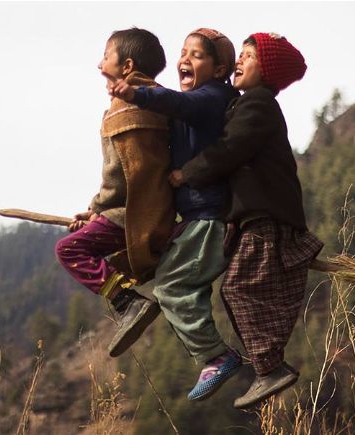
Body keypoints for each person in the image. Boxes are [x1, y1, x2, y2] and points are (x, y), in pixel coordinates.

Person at [169, 32, 324, 408]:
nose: (240, 61)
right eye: (239, 55)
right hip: (253, 220)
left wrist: (185, 174)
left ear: (266, 70)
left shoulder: (258, 105)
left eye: (249, 56)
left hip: (266, 219)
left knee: (239, 288)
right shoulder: (244, 104)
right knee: (235, 289)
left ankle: (270, 369)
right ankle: (266, 367)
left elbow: (228, 151)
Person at [110, 28, 242, 401]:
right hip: (197, 217)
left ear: (218, 70)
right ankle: (212, 354)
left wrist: (136, 94)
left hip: (208, 218)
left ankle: (216, 355)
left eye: (196, 55)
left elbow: (178, 104)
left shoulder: (212, 97)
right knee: (176, 281)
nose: (185, 60)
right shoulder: (198, 101)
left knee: (172, 286)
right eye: (183, 52)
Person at [55, 28, 174, 358]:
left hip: (132, 215)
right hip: (159, 210)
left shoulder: (125, 108)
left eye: (106, 56)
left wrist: (97, 208)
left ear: (127, 65)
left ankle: (127, 301)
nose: (99, 63)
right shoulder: (161, 100)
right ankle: (128, 297)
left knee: (70, 250)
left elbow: (121, 175)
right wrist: (96, 213)